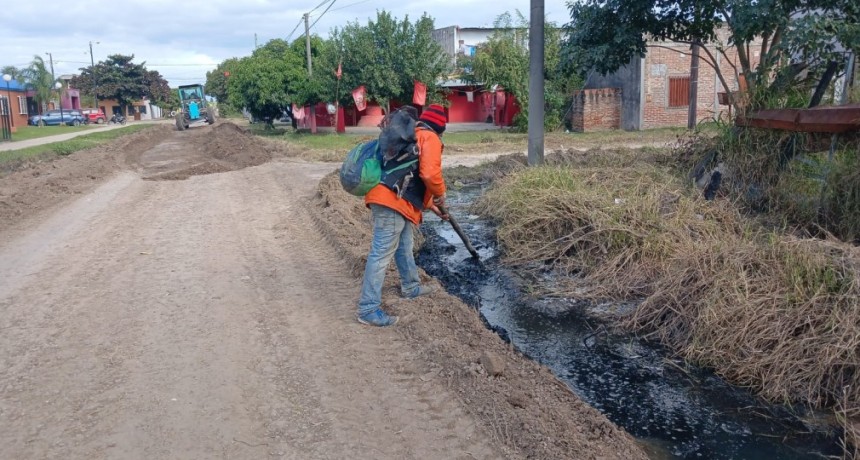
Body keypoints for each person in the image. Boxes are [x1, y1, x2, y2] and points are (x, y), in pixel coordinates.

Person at [356, 104, 450, 327]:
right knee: (381, 253)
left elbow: (410, 176)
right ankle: (368, 308)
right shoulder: (430, 138)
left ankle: (411, 286)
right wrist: (441, 194)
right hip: (391, 202)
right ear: (441, 128)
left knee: (404, 244)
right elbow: (429, 173)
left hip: (391, 199)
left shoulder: (409, 135)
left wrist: (431, 205)